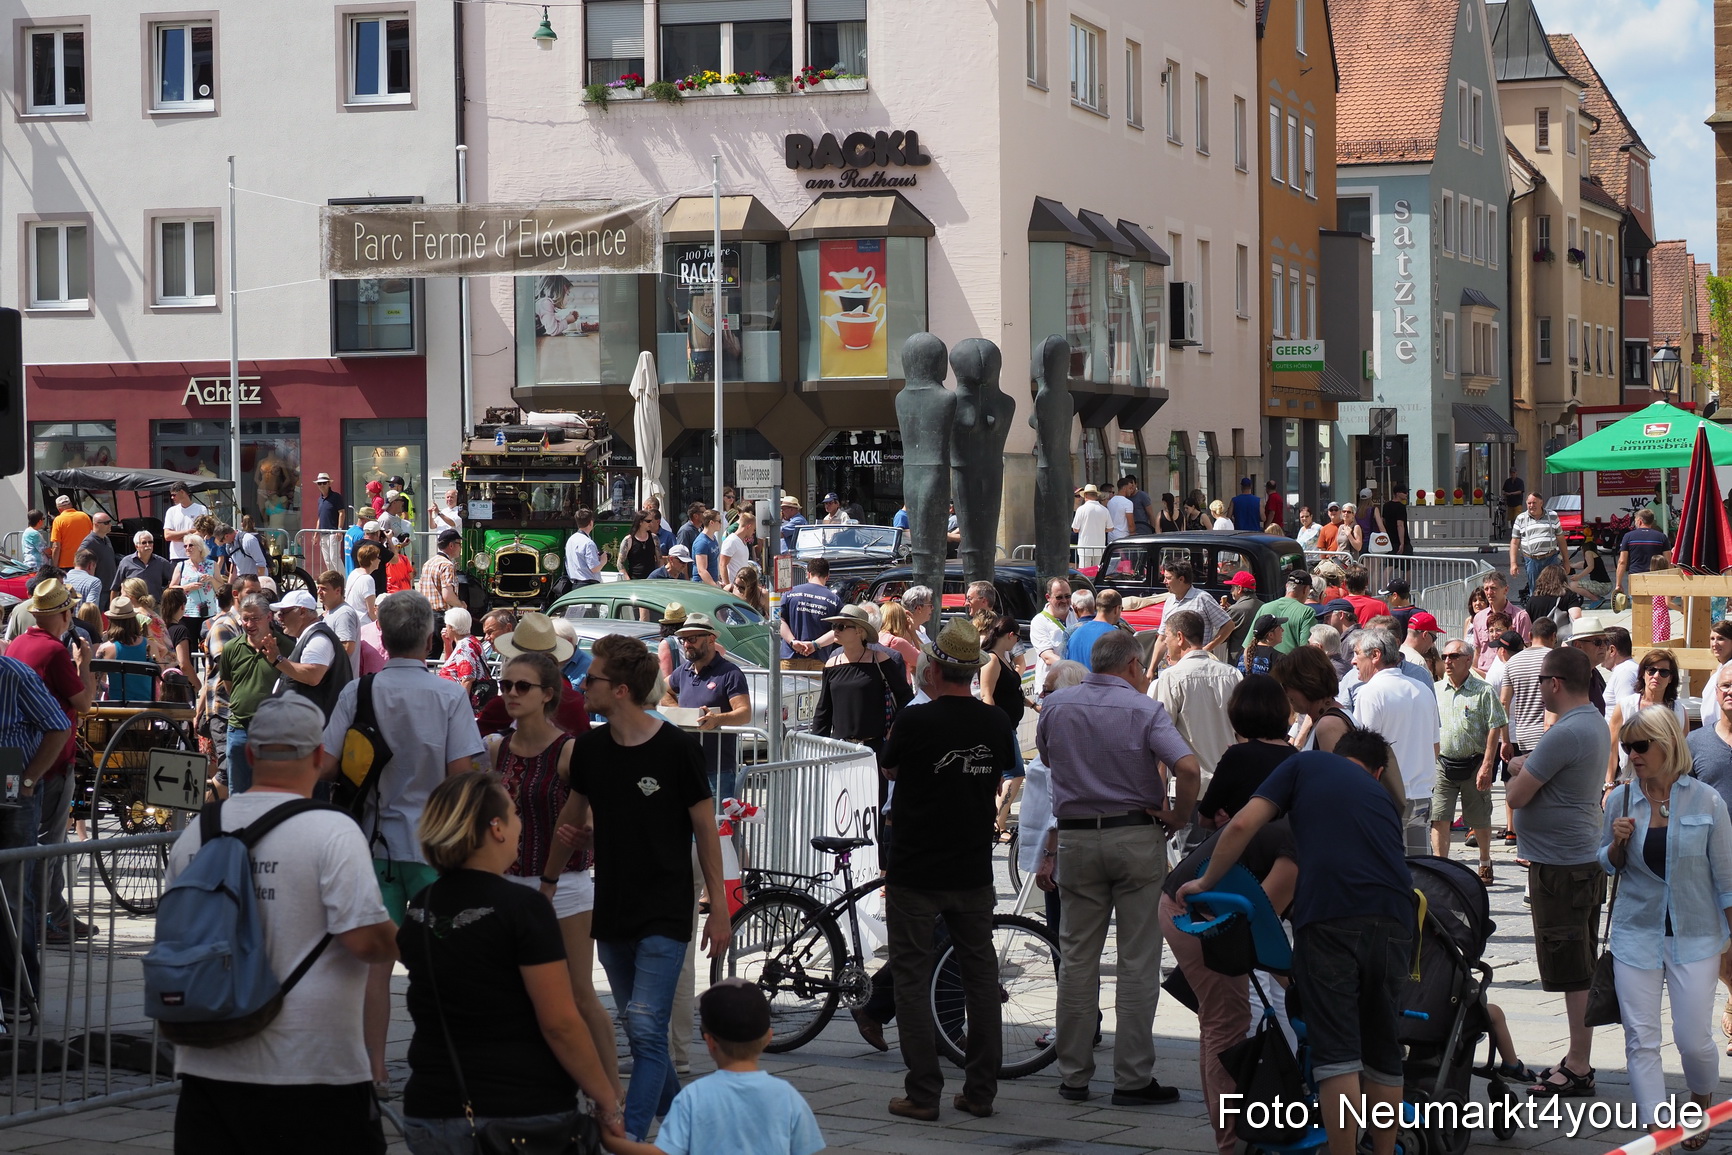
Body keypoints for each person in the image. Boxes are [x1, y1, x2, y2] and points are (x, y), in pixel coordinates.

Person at [168, 695, 399, 1155]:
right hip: (311, 1069)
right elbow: (366, 943)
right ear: (318, 756)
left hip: (208, 1066)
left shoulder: (198, 833)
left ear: (251, 755)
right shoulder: (331, 830)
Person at [1179, 729, 1411, 1155]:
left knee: (1337, 1053)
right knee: (1382, 1050)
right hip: (1397, 919)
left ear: (1334, 753)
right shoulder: (1380, 798)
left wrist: (1205, 881)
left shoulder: (1305, 763)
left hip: (1331, 917)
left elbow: (1243, 822)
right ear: (1377, 772)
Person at [547, 634, 730, 1141]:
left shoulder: (677, 748)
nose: (583, 685)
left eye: (593, 679)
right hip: (613, 906)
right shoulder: (589, 749)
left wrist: (718, 905)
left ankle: (625, 1140)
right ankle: (688, 1125)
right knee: (638, 1029)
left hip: (665, 906)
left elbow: (705, 829)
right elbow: (572, 818)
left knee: (647, 1027)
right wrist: (548, 880)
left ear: (621, 690)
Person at [395, 769, 624, 1154]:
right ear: (496, 828)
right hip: (518, 1112)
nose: (520, 825)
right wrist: (606, 1099)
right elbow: (561, 1023)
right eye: (515, 814)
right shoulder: (523, 908)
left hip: (432, 1109)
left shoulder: (422, 907)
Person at [320, 591, 486, 1096]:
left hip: (374, 844)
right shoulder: (449, 695)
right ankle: (445, 1066)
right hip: (434, 848)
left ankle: (375, 1069)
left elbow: (326, 764)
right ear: (430, 638)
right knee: (444, 964)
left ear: (385, 639)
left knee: (376, 967)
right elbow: (462, 775)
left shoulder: (359, 692)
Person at [1034, 629, 1200, 1106]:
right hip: (1134, 836)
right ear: (1130, 665)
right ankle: (1132, 1078)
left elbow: (1047, 759)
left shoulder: (1056, 706)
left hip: (1077, 838)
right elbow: (1188, 768)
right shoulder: (1144, 709)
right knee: (1137, 960)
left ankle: (1073, 1075)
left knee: (1077, 958)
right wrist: (1178, 816)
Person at [874, 623, 1016, 1124]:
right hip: (972, 868)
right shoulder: (996, 721)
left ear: (933, 669)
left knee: (912, 979)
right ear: (973, 671)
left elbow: (890, 769)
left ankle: (923, 1092)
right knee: (980, 978)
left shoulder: (915, 720)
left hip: (916, 867)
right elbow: (1001, 773)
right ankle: (980, 1091)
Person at [480, 654, 621, 1104]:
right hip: (508, 886)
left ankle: (612, 1097)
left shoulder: (568, 750)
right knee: (511, 995)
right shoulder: (497, 748)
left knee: (579, 995)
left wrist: (588, 833)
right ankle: (527, 1089)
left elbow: (595, 816)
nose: (512, 693)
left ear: (547, 694)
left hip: (563, 887)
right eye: (506, 685)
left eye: (522, 686)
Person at [1602, 707, 1732, 1138]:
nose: (1633, 755)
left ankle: (1701, 1096)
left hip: (1696, 934)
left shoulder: (1707, 800)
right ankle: (1658, 1132)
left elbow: (1727, 880)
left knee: (1694, 1040)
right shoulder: (1620, 799)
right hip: (1635, 932)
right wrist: (1616, 844)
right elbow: (1606, 863)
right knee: (1641, 1038)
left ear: (1668, 744)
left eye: (1641, 746)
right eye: (1627, 747)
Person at [1506, 645, 1612, 1097]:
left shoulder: (1565, 732)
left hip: (1562, 867)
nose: (1537, 690)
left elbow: (1516, 797)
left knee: (1571, 968)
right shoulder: (1592, 722)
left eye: (1540, 682)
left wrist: (1517, 767)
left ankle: (1579, 1064)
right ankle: (1575, 1057)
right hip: (1578, 860)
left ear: (1554, 683)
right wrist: (1525, 766)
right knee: (1578, 961)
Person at [1160, 812, 1298, 1155]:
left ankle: (1229, 1135)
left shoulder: (1295, 827)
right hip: (1198, 913)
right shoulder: (1301, 843)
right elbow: (1263, 926)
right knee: (1228, 1025)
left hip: (1189, 905)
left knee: (1218, 1024)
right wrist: (1294, 986)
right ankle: (1234, 1141)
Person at [601, 979, 823, 1155]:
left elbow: (664, 1152)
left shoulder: (693, 1097)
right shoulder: (787, 1096)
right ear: (768, 1038)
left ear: (709, 1042)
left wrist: (612, 1142)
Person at [1351, 628, 1439, 854]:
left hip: (1388, 797)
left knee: (1384, 865)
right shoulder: (1422, 689)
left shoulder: (1370, 692)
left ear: (1375, 655)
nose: (1353, 661)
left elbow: (1364, 754)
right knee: (1420, 866)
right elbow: (1435, 746)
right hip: (1421, 796)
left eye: (1357, 653)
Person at [1433, 640, 1505, 883]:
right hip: (1443, 764)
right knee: (1439, 816)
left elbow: (1495, 726)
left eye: (1453, 656)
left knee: (1480, 818)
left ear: (1468, 660)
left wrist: (1487, 765)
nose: (1447, 661)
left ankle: (1484, 861)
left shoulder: (1483, 691)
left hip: (1474, 765)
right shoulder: (1435, 690)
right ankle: (1441, 868)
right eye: (1444, 656)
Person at [665, 613, 752, 801]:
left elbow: (745, 713)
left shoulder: (730, 673)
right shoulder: (683, 671)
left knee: (717, 820)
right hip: (685, 766)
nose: (686, 644)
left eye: (692, 639)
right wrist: (678, 712)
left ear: (711, 639)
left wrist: (717, 720)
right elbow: (661, 690)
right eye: (683, 640)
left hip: (717, 771)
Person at [1152, 609, 1242, 782]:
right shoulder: (1233, 674)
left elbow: (1161, 739)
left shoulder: (1171, 678)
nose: (1165, 642)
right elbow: (1243, 734)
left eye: (1166, 636)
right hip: (1229, 780)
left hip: (1189, 785)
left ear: (1180, 637)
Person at [1194, 675, 1296, 826]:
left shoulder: (1237, 756)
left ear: (1238, 710)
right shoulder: (1295, 756)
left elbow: (1204, 819)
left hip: (1245, 839)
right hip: (1287, 840)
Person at [269, 589, 352, 721]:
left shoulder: (318, 638)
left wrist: (278, 660)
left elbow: (313, 675)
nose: (280, 618)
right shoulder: (309, 636)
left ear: (302, 612)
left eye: (284, 612)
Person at [1607, 649, 1689, 781]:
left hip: (1666, 782)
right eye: (1651, 670)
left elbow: (1681, 753)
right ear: (1643, 674)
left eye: (1663, 672)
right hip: (1630, 779)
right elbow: (1612, 749)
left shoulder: (1679, 711)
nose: (1656, 676)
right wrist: (1609, 784)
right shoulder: (1625, 706)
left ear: (1670, 678)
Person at [1145, 560, 1233, 672]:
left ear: (1181, 579)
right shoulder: (1169, 601)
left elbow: (1228, 625)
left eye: (1168, 578)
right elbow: (1162, 638)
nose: (1164, 581)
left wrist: (1207, 648)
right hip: (1172, 667)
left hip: (1197, 667)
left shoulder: (1202, 598)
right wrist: (1151, 669)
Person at [1274, 645, 1356, 754]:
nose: (1286, 693)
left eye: (1286, 686)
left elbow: (1334, 765)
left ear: (1305, 684)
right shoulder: (1327, 716)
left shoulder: (1328, 725)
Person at [1510, 492, 1568, 599]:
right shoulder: (1521, 518)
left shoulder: (1552, 515)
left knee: (1554, 589)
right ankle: (1537, 608)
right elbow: (1514, 542)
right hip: (1532, 560)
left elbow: (1561, 539)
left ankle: (1553, 608)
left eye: (1534, 503)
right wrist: (1513, 563)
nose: (1531, 505)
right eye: (1529, 503)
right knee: (1535, 590)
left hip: (1551, 558)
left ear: (1541, 503)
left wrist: (1566, 561)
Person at [1472, 573, 1531, 674]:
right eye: (1486, 589)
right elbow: (1478, 651)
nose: (1489, 592)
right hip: (1483, 673)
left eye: (1493, 588)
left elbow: (1526, 650)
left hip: (1509, 673)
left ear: (1506, 590)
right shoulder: (1479, 618)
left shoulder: (1520, 617)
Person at [1030, 578, 1076, 697]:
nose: (1064, 600)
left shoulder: (1077, 615)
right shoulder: (1039, 621)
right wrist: (1076, 667)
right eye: (1059, 597)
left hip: (1074, 687)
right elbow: (1048, 657)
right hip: (1051, 690)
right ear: (1048, 597)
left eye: (1067, 596)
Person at [1258, 571, 1317, 657]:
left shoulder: (1264, 607)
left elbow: (1249, 644)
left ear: (1286, 586)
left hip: (1263, 663)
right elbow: (1306, 651)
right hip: (1290, 664)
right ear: (1305, 590)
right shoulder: (1307, 612)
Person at [1615, 509, 1672, 596]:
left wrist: (1618, 584)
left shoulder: (1628, 536)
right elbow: (1668, 561)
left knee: (1637, 603)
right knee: (1656, 603)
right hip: (1656, 577)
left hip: (1635, 577)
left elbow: (1622, 561)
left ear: (1640, 521)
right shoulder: (1662, 537)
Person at [170, 533, 219, 633]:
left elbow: (221, 588)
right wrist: (187, 587)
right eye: (185, 546)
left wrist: (211, 579)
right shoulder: (181, 565)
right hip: (188, 612)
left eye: (191, 545)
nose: (187, 548)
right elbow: (171, 588)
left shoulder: (212, 564)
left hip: (209, 612)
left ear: (200, 547)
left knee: (207, 641)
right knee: (190, 641)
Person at [437, 607, 485, 697]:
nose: (445, 628)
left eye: (446, 625)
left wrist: (461, 703)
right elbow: (452, 665)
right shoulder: (470, 641)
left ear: (452, 627)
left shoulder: (465, 646)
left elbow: (467, 679)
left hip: (459, 699)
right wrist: (447, 643)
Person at [113, 529, 173, 600]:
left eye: (150, 542)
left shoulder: (161, 562)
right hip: (133, 604)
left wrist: (165, 593)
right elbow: (115, 587)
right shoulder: (126, 562)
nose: (148, 545)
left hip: (155, 604)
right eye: (144, 543)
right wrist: (113, 605)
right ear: (136, 546)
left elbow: (174, 580)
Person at [1220, 571, 1263, 665]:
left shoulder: (1235, 610)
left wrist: (1223, 614)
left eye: (1232, 587)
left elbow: (1221, 636)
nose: (1231, 591)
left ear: (1239, 589)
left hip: (1239, 660)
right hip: (1259, 658)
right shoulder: (1263, 606)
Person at [77, 512, 116, 610]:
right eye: (106, 523)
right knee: (97, 615)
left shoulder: (106, 539)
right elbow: (79, 560)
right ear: (96, 524)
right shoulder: (89, 541)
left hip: (110, 587)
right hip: (99, 589)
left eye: (110, 522)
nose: (110, 525)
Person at [161, 482, 208, 562]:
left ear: (182, 492)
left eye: (174, 495)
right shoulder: (171, 511)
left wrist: (176, 538)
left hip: (196, 555)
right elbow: (167, 536)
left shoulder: (201, 509)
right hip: (177, 556)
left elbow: (201, 533)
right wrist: (188, 532)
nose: (172, 497)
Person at [417, 529, 461, 613]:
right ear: (451, 545)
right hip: (441, 615)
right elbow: (448, 596)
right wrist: (461, 605)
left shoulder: (428, 563)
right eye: (459, 544)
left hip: (426, 613)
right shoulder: (447, 565)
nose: (460, 548)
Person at [564, 507, 606, 589]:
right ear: (591, 523)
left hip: (574, 584)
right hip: (588, 586)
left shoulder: (571, 540)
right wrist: (603, 561)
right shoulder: (588, 543)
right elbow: (594, 568)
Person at [1070, 485, 1111, 568]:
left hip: (1084, 547)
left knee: (1084, 571)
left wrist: (1086, 529)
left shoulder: (1081, 509)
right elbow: (1110, 528)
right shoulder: (1104, 510)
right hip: (1099, 547)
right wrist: (1100, 529)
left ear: (1085, 495)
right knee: (1097, 570)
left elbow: (1075, 529)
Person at [47, 495, 90, 569]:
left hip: (66, 563)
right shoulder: (84, 516)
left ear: (59, 509)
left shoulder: (58, 520)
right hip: (85, 561)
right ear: (71, 504)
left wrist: (54, 566)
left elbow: (56, 546)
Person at [718, 511, 757, 588]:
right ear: (748, 526)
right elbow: (722, 565)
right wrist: (728, 586)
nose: (753, 532)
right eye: (754, 529)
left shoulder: (742, 541)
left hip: (743, 586)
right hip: (734, 586)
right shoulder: (731, 541)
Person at [879, 602, 922, 670]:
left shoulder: (876, 637)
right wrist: (913, 633)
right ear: (901, 620)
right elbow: (924, 661)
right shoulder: (896, 642)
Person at [346, 543, 380, 622]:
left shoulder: (354, 573)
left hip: (352, 620)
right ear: (371, 561)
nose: (379, 560)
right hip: (364, 623)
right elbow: (371, 612)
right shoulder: (368, 579)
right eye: (377, 557)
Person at [690, 509, 724, 587]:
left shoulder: (713, 538)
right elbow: (701, 570)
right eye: (719, 521)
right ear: (711, 522)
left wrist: (717, 579)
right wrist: (715, 587)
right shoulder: (702, 542)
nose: (721, 523)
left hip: (711, 582)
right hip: (702, 585)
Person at [1375, 487, 1411, 555]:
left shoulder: (1386, 506)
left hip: (1389, 539)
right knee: (1405, 560)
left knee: (1390, 560)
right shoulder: (1401, 507)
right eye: (1404, 492)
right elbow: (1400, 525)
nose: (1406, 494)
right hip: (1400, 541)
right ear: (1397, 493)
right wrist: (1402, 543)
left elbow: (1383, 521)